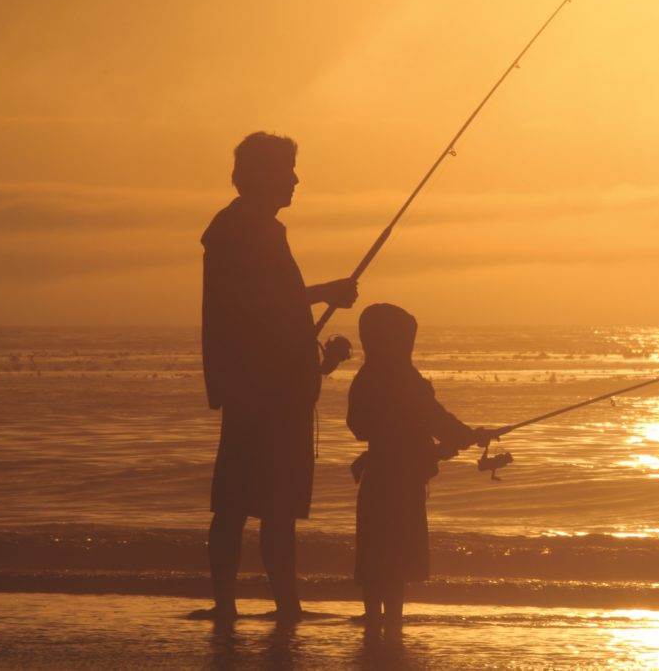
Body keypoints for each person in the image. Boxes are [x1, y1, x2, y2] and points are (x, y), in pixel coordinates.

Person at [193, 131, 358, 621]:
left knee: (239, 502)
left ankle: (238, 604)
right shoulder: (248, 229)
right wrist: (325, 291)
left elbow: (266, 313)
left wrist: (316, 359)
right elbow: (258, 304)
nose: (295, 180)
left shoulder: (237, 227)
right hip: (266, 394)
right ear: (262, 176)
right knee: (270, 506)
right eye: (287, 171)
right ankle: (281, 606)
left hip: (257, 388)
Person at [346, 303, 494, 637]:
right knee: (395, 559)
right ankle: (391, 626)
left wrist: (463, 436)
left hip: (379, 478)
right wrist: (467, 435)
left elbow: (360, 425)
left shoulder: (366, 377)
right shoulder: (404, 380)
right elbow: (435, 418)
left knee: (376, 557)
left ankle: (374, 623)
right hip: (400, 482)